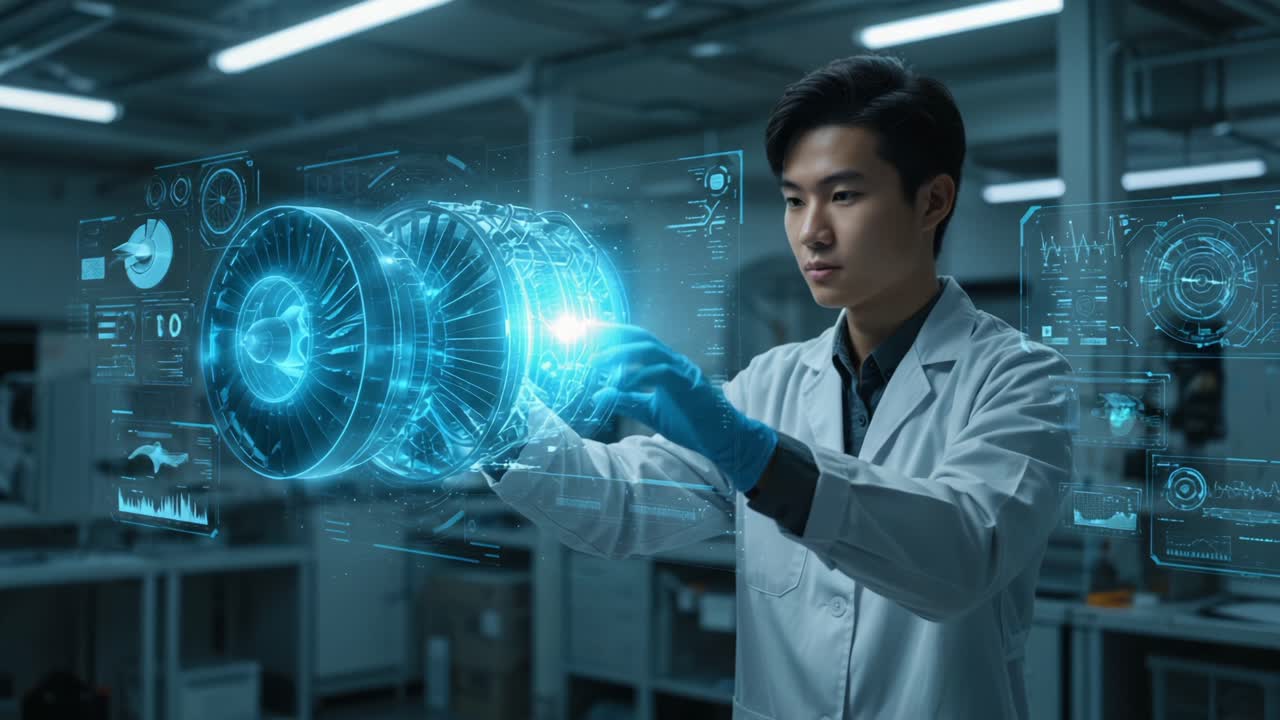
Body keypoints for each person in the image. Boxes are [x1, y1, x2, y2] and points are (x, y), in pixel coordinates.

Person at [482, 54, 1072, 720]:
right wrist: (487, 409)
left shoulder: (1022, 378)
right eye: (795, 200)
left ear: (933, 201)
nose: (811, 232)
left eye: (843, 196)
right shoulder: (770, 382)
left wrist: (756, 457)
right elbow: (620, 506)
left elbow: (964, 555)